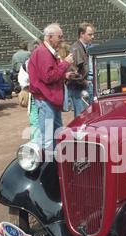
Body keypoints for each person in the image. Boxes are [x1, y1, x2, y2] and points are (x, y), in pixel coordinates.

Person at [28, 23, 74, 153]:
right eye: (59, 37)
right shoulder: (43, 52)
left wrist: (64, 74)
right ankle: (48, 166)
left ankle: (57, 162)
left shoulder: (46, 51)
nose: (61, 39)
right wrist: (65, 64)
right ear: (49, 37)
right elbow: (48, 77)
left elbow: (49, 75)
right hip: (46, 98)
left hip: (51, 98)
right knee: (48, 136)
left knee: (57, 132)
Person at [67, 22, 95, 118]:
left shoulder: (84, 47)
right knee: (82, 117)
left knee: (88, 115)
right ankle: (79, 133)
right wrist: (85, 82)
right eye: (90, 34)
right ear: (82, 34)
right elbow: (72, 72)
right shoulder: (76, 49)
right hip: (79, 88)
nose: (93, 37)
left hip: (84, 86)